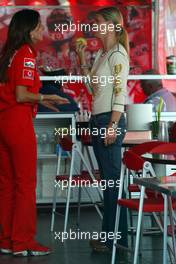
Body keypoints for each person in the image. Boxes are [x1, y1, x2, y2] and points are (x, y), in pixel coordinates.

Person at [0, 9, 69, 257]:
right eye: (39, 26)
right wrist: (43, 95)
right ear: (29, 30)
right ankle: (23, 242)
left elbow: (12, 92)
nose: (42, 30)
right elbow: (21, 94)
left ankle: (7, 240)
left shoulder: (9, 53)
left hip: (4, 122)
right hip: (18, 123)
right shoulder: (27, 54)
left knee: (8, 185)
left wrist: (42, 101)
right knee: (26, 184)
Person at [76, 7, 129, 253]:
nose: (93, 26)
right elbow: (93, 90)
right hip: (101, 119)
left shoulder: (118, 55)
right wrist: (82, 59)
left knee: (111, 184)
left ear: (112, 25)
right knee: (109, 183)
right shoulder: (102, 54)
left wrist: (113, 125)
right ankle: (114, 239)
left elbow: (120, 92)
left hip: (109, 120)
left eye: (96, 22)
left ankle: (114, 240)